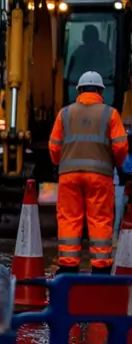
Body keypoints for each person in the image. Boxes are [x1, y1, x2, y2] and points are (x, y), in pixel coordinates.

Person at [48, 70, 129, 274]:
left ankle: (68, 266)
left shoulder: (64, 113)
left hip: (69, 175)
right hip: (100, 175)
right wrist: (116, 164)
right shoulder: (110, 113)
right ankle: (100, 268)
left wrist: (61, 162)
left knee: (69, 218)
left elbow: (54, 147)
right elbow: (120, 147)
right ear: (101, 90)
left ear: (79, 90)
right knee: (100, 219)